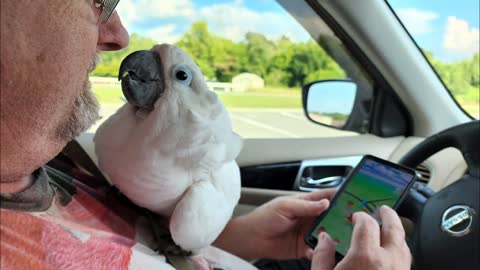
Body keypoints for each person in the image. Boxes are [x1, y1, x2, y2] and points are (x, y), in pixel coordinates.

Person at [0, 1, 411, 269]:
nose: (117, 36)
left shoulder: (56, 156)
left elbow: (142, 243)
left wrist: (239, 237)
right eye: (98, 1)